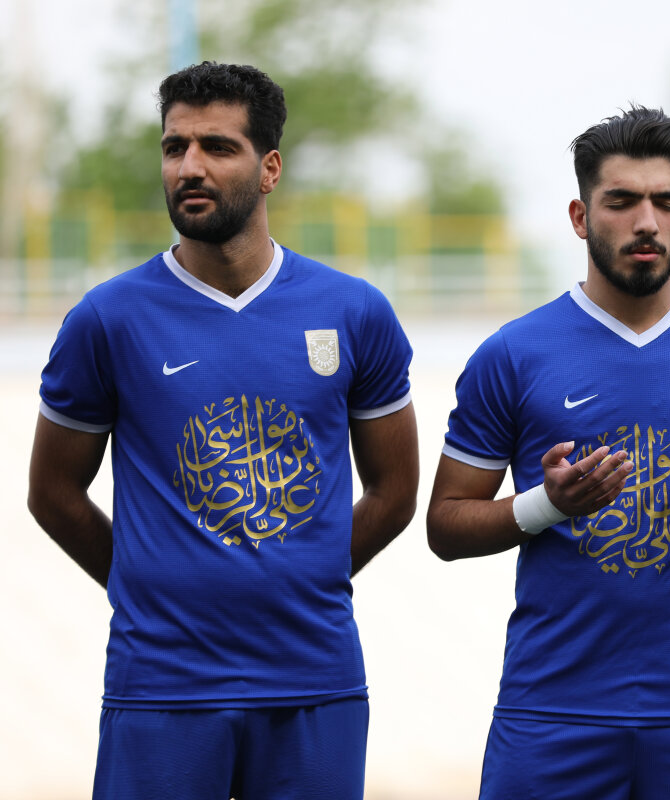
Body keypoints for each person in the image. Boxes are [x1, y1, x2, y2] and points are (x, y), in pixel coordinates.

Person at [27, 62, 419, 800]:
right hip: (162, 683)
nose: (189, 167)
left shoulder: (354, 311)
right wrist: (148, 584)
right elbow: (52, 494)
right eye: (174, 147)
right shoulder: (107, 319)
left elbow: (395, 491)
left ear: (269, 168)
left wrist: (303, 576)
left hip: (314, 678)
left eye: (217, 146)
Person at [426, 105, 670, 799]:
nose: (646, 222)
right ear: (581, 217)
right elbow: (445, 527)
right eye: (622, 201)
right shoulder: (512, 355)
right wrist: (547, 505)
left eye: (665, 202)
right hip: (550, 711)